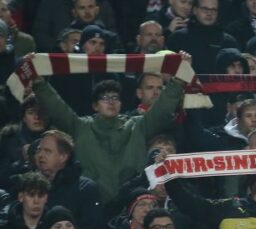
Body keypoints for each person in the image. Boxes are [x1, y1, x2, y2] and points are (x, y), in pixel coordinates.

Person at [28, 53, 191, 204]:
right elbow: (57, 108)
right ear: (95, 105)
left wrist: (177, 81)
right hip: (93, 203)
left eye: (115, 98)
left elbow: (162, 109)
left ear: (121, 104)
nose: (111, 101)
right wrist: (38, 83)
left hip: (133, 203)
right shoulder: (81, 126)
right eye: (104, 98)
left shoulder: (138, 125)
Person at [29, 130, 103, 229]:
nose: (40, 155)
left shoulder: (85, 189)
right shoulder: (29, 186)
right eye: (39, 150)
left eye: (47, 151)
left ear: (63, 157)